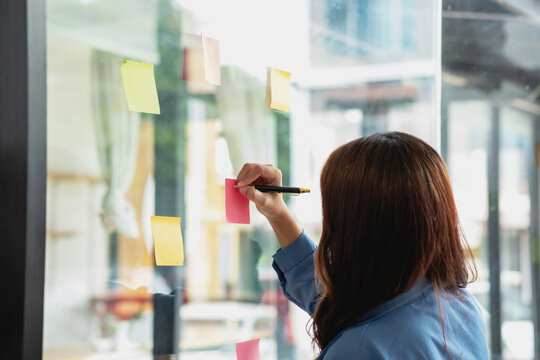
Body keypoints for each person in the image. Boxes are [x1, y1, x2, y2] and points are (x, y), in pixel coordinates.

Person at [235, 132, 489, 359]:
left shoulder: (360, 348)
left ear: (354, 230)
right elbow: (343, 303)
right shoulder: (461, 307)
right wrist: (277, 212)